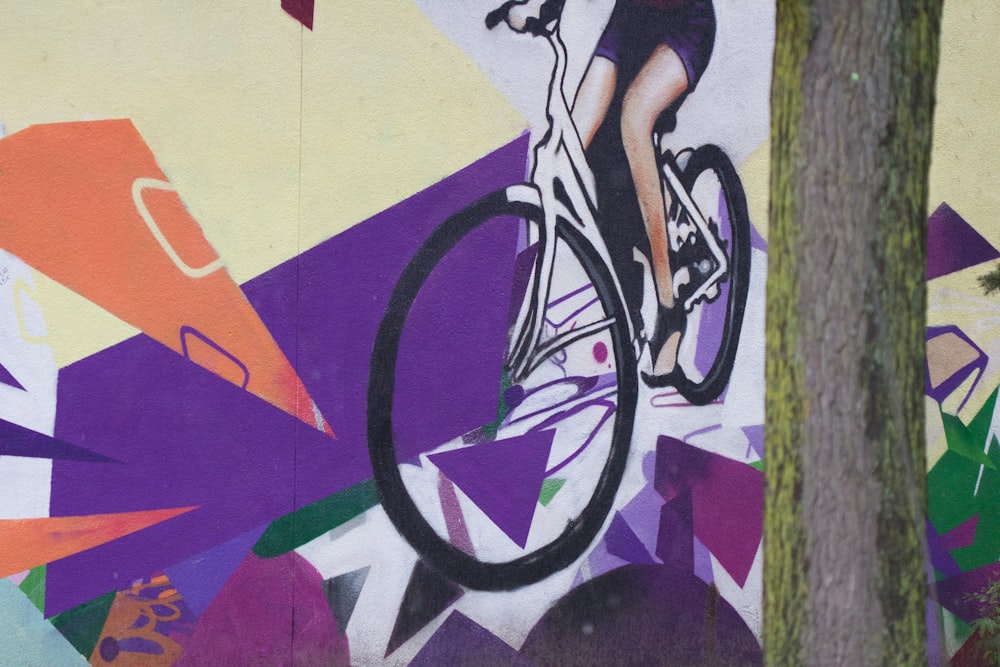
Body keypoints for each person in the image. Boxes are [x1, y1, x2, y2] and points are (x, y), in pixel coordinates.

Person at [506, 0, 716, 386]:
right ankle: (623, 303)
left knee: (634, 116)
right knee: (566, 153)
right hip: (630, 22)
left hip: (683, 24)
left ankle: (669, 307)